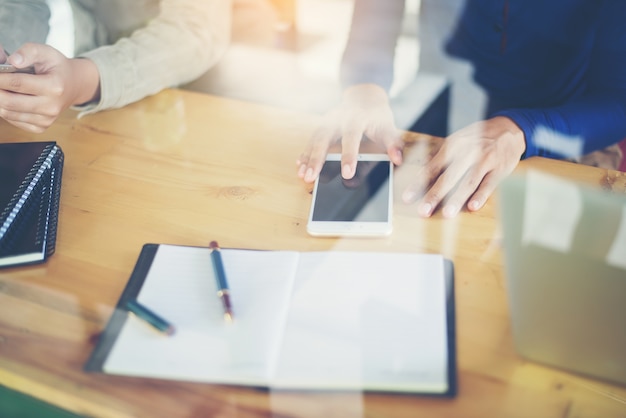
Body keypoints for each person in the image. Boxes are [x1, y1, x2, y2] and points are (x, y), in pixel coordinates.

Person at [297, 0, 626, 218]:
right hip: (436, 119)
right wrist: (365, 89)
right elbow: (376, 19)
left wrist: (521, 129)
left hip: (567, 132)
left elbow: (617, 98)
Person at [0, 0, 231, 133]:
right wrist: (7, 57)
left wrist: (83, 79)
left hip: (181, 84)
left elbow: (197, 31)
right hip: (70, 62)